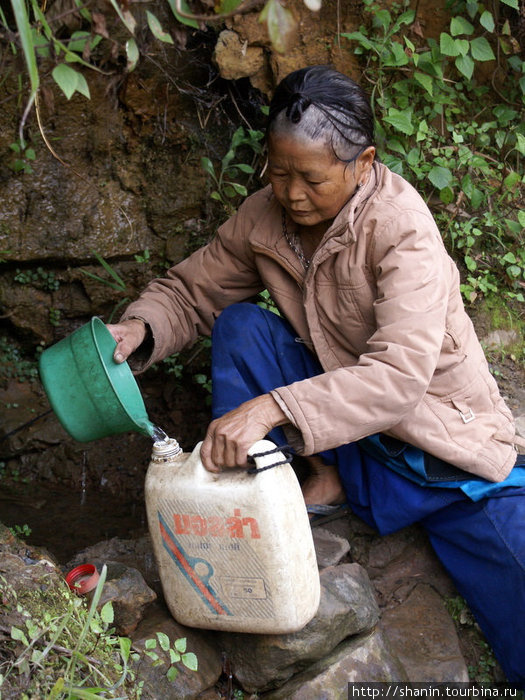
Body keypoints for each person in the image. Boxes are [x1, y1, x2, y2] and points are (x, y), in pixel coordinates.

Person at [108, 66, 525, 686]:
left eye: (311, 177)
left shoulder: (402, 231)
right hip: (343, 433)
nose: (292, 193)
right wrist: (138, 329)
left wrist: (271, 408)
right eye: (278, 172)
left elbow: (396, 378)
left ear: (363, 164)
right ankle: (304, 486)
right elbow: (192, 291)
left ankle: (353, 484)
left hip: (436, 449)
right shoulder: (265, 217)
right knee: (243, 327)